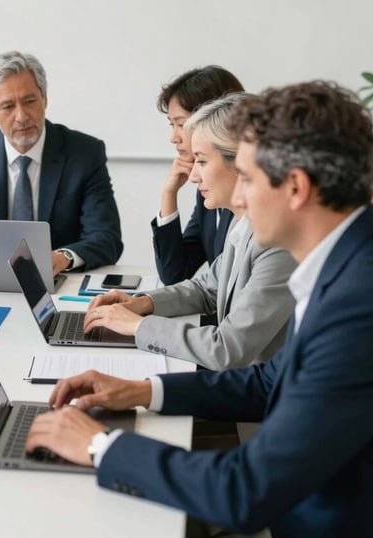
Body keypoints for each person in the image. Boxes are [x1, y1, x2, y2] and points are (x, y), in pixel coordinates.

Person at [25, 81, 373, 537]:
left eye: (247, 178)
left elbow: (244, 491)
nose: (240, 200)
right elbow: (270, 381)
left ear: (296, 188)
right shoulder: (342, 267)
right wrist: (140, 391)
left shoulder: (356, 305)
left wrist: (99, 445)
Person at [86, 94, 296, 370]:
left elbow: (227, 349)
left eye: (202, 161)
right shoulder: (242, 222)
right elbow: (207, 287)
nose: (194, 175)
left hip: (260, 401)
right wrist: (142, 303)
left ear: (242, 163)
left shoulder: (278, 241)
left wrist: (138, 326)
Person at [0, 51, 123, 274]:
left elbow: (107, 238)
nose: (21, 116)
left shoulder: (84, 153)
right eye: (8, 106)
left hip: (58, 283)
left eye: (29, 101)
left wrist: (63, 257)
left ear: (45, 99)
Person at [152, 66, 244, 285]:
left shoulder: (244, 197)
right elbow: (175, 273)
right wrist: (168, 194)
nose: (173, 137)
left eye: (181, 125)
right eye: (171, 125)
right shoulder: (208, 191)